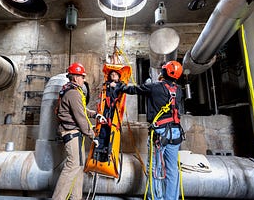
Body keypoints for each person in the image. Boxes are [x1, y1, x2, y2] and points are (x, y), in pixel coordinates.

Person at [121, 60, 185, 200]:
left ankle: (156, 198)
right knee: (172, 169)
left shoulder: (155, 87)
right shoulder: (178, 90)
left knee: (155, 167)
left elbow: (134, 89)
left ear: (164, 72)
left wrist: (119, 86)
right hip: (175, 133)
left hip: (160, 133)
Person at [52, 62, 106, 200]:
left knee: (78, 167)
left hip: (74, 134)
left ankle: (75, 198)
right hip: (71, 133)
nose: (84, 79)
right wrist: (93, 135)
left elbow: (81, 110)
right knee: (72, 167)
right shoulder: (73, 93)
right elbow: (80, 117)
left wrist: (95, 114)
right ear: (75, 77)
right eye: (82, 76)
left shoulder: (72, 91)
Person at [96, 70, 124, 156]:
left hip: (115, 113)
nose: (113, 76)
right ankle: (100, 151)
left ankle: (110, 152)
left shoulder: (121, 86)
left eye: (115, 74)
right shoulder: (106, 86)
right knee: (103, 131)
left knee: (112, 133)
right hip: (106, 112)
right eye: (112, 74)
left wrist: (115, 87)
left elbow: (121, 94)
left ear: (119, 76)